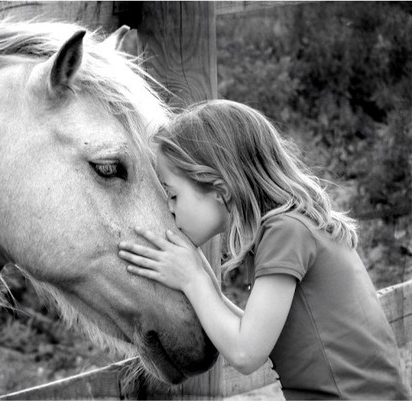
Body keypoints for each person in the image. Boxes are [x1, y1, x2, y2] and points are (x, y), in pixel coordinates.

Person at [118, 99, 410, 399]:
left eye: (172, 195)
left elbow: (246, 352)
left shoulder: (285, 232)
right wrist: (195, 277)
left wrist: (193, 278)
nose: (169, 209)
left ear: (219, 189)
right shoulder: (290, 227)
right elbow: (249, 330)